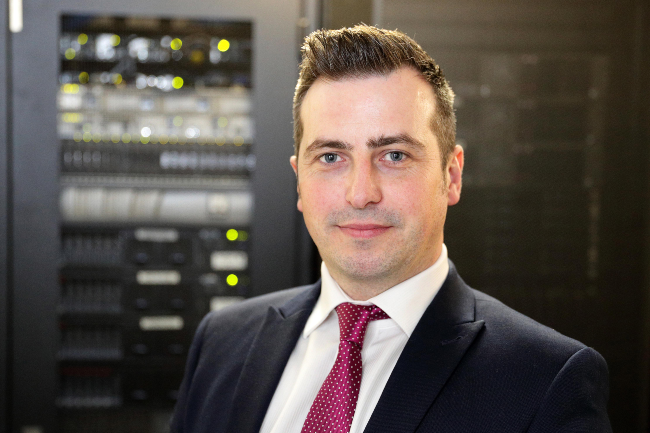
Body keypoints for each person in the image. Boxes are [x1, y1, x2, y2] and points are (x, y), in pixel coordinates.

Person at [170, 25, 611, 433]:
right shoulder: (222, 342)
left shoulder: (546, 381)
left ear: (451, 176)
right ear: (299, 180)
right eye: (330, 157)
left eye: (394, 155)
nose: (360, 193)